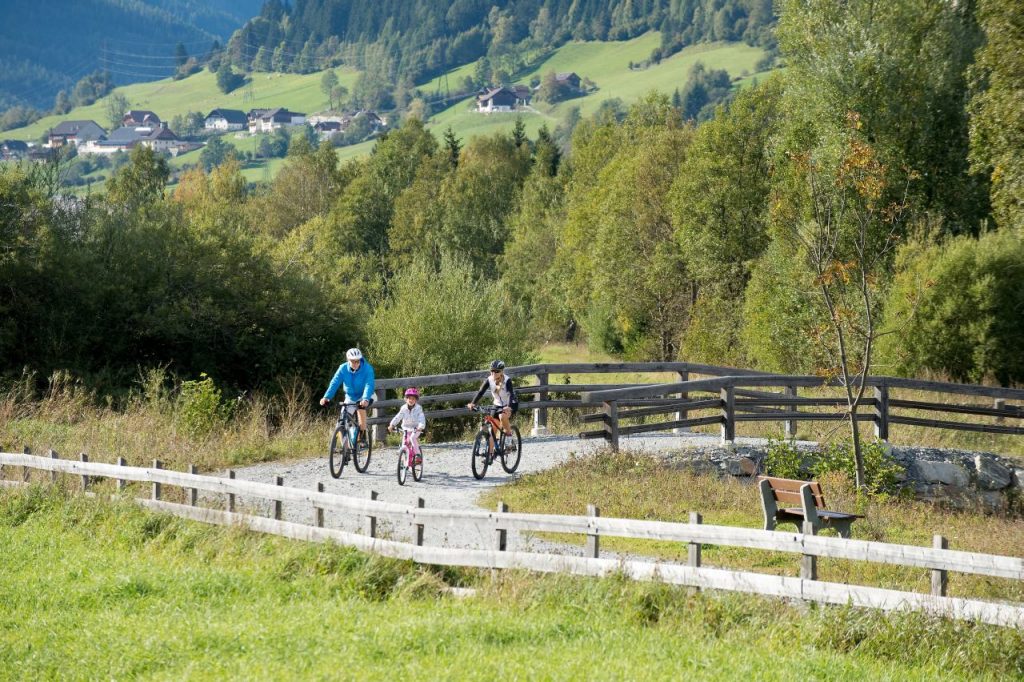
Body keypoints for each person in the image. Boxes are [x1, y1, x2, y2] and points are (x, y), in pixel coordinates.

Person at [320, 348, 375, 442]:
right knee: (341, 422)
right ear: (348, 360)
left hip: (365, 395)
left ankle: (362, 437)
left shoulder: (367, 368)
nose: (355, 364)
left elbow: (369, 384)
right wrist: (326, 397)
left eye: (357, 361)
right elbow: (335, 382)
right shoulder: (343, 368)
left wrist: (365, 398)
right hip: (350, 396)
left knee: (360, 408)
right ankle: (345, 450)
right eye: (353, 361)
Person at [467, 359, 518, 438]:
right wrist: (473, 403)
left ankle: (509, 438)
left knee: (502, 416)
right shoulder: (489, 380)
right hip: (497, 404)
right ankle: (491, 450)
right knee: (492, 430)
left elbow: (510, 394)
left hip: (510, 403)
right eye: (492, 371)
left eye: (497, 371)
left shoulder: (507, 380)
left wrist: (508, 406)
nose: (494, 373)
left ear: (501, 371)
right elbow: (481, 392)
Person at [388, 388, 426, 463]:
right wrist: (392, 424)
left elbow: (422, 418)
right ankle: (404, 460)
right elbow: (398, 417)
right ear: (406, 399)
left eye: (413, 399)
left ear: (416, 400)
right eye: (409, 398)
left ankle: (418, 455)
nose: (411, 400)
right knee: (404, 443)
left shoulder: (418, 408)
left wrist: (420, 426)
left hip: (416, 428)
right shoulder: (403, 408)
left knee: (412, 438)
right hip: (406, 428)